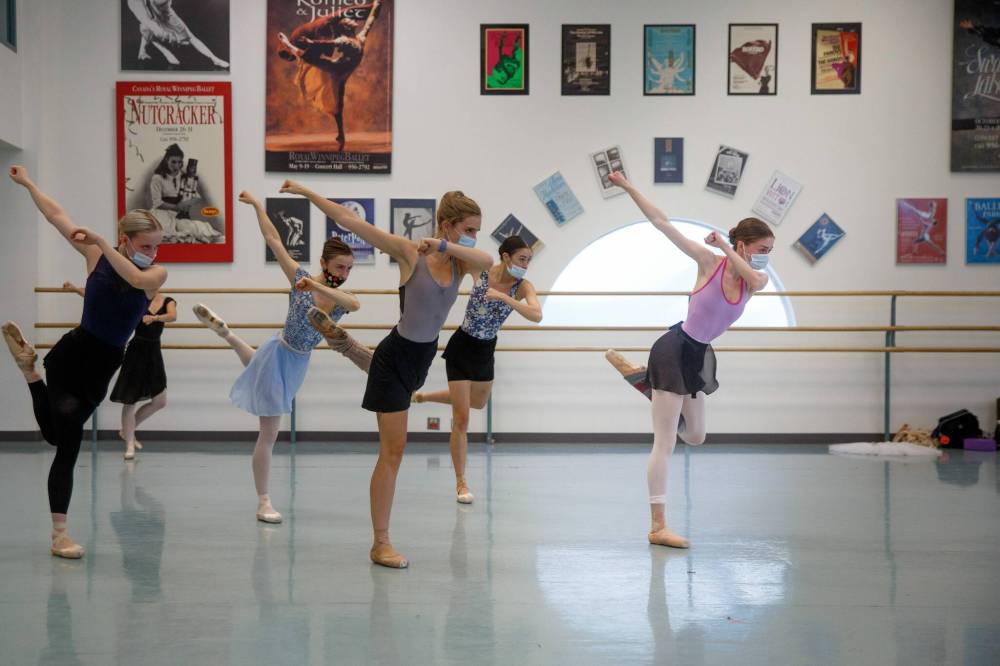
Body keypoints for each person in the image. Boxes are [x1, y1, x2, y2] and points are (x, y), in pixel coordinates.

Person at [284, 180, 492, 568]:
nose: (473, 237)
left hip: (422, 358)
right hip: (397, 355)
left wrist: (444, 245)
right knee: (393, 451)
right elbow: (350, 220)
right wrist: (307, 194)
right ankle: (380, 542)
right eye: (468, 229)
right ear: (446, 224)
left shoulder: (459, 260)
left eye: (476, 230)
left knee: (396, 398)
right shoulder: (410, 252)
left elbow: (488, 261)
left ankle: (349, 346)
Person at [602, 171, 773, 549]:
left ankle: (646, 384)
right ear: (744, 245)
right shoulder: (708, 262)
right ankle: (657, 526)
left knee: (695, 436)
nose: (765, 256)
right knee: (664, 442)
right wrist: (628, 187)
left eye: (769, 251)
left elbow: (756, 278)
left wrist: (727, 246)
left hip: (698, 355)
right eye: (762, 248)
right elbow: (661, 223)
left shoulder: (753, 281)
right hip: (675, 348)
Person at [3, 165, 167, 559]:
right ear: (127, 239)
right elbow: (56, 215)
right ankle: (60, 535)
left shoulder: (156, 274)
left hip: (103, 366)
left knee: (55, 434)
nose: (153, 254)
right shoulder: (95, 254)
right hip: (73, 353)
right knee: (68, 442)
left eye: (156, 247)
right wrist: (28, 183)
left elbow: (136, 279)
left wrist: (105, 244)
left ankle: (29, 373)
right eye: (146, 246)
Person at [192, 191, 360, 524]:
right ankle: (263, 501)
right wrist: (258, 205)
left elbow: (354, 304)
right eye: (339, 266)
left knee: (256, 368)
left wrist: (317, 286)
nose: (344, 273)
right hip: (280, 349)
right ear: (324, 262)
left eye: (348, 269)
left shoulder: (337, 296)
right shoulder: (299, 278)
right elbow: (274, 240)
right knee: (268, 433)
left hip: (298, 361)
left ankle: (226, 334)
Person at [413, 236, 542, 503]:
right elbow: (453, 256)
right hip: (462, 345)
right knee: (462, 418)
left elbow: (536, 315)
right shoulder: (481, 270)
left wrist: (505, 298)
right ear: (505, 257)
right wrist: (431, 246)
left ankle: (424, 396)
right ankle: (461, 482)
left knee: (478, 402)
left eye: (528, 260)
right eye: (521, 259)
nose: (525, 265)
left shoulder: (522, 286)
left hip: (485, 349)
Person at [62, 282, 177, 460]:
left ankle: (127, 430)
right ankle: (129, 443)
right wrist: (76, 290)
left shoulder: (168, 301)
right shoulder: (137, 301)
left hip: (154, 353)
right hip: (135, 351)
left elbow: (172, 316)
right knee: (130, 400)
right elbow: (101, 299)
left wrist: (155, 318)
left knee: (160, 401)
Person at [276, 0, 383, 152]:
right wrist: (374, 8)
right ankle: (341, 134)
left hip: (340, 70)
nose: (350, 21)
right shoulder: (355, 39)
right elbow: (366, 24)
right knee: (336, 99)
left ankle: (341, 135)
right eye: (347, 21)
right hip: (341, 69)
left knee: (336, 100)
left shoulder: (351, 39)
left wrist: (311, 42)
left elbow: (332, 43)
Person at [125, 0, 229, 69]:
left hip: (165, 13)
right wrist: (173, 40)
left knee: (190, 36)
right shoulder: (134, 3)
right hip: (149, 18)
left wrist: (179, 36)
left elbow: (165, 10)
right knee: (146, 27)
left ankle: (214, 58)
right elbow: (150, 25)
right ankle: (159, 52)